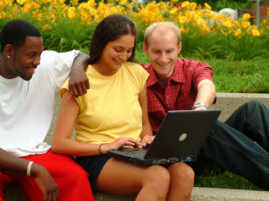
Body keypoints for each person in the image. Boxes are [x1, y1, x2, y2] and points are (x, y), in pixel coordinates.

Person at [51, 14, 194, 201]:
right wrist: (106, 147)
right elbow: (59, 143)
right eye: (118, 49)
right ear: (102, 44)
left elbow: (144, 123)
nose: (123, 57)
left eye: (129, 50)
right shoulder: (80, 82)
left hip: (135, 153)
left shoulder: (136, 73)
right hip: (98, 157)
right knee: (158, 176)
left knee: (185, 173)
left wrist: (147, 139)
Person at [0, 19, 94, 201]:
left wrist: (77, 72)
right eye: (31, 55)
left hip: (33, 152)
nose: (37, 62)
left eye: (40, 54)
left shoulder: (43, 65)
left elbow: (80, 55)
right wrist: (33, 169)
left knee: (75, 177)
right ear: (9, 51)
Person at [141, 21, 269, 190]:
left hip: (210, 151)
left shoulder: (194, 68)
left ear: (179, 48)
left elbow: (206, 85)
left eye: (169, 51)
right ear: (145, 49)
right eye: (157, 52)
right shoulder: (138, 77)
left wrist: (199, 108)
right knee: (204, 128)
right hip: (175, 161)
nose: (163, 58)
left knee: (253, 109)